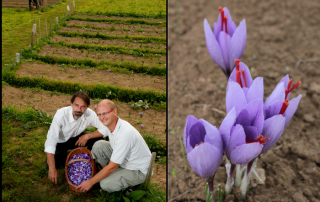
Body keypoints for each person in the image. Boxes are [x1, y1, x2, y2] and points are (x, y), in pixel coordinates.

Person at [76, 99, 152, 192]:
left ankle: (132, 185)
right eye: (99, 114)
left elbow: (113, 166)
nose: (101, 117)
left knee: (105, 184)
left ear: (114, 111)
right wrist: (87, 136)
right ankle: (112, 174)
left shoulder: (124, 134)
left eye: (105, 113)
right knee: (98, 145)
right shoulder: (112, 123)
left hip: (138, 169)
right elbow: (102, 131)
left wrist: (90, 182)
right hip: (126, 160)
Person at [45, 91, 110, 184]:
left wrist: (87, 136)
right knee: (55, 165)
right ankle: (69, 157)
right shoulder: (61, 115)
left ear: (87, 107)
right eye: (76, 105)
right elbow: (51, 141)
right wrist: (52, 168)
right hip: (60, 142)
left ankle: (92, 161)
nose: (79, 109)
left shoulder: (90, 114)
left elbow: (106, 129)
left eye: (83, 106)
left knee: (97, 139)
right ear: (71, 104)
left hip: (77, 138)